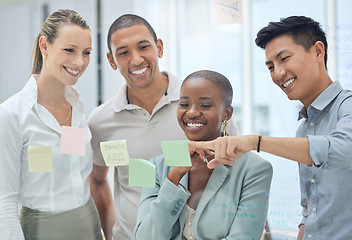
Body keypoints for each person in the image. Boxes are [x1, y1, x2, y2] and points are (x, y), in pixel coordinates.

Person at [190, 16, 352, 240]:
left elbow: (343, 149)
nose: (278, 73)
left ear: (317, 51)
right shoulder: (303, 128)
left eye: (284, 58)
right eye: (270, 66)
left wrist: (255, 142)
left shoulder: (348, 106)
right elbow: (309, 210)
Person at [87, 14, 239, 240]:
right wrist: (110, 234)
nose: (136, 59)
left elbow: (236, 170)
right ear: (111, 60)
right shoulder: (101, 121)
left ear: (159, 47)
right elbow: (98, 181)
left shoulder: (201, 104)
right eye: (123, 52)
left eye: (143, 46)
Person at [0, 9, 103, 240]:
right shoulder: (11, 115)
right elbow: (4, 205)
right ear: (44, 46)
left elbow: (75, 174)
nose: (80, 62)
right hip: (42, 231)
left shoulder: (77, 107)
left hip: (89, 225)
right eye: (69, 50)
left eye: (86, 52)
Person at [134, 70, 273, 240]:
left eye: (205, 105)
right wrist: (173, 179)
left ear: (227, 113)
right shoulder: (157, 165)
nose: (191, 112)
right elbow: (145, 237)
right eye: (184, 104)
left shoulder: (255, 170)